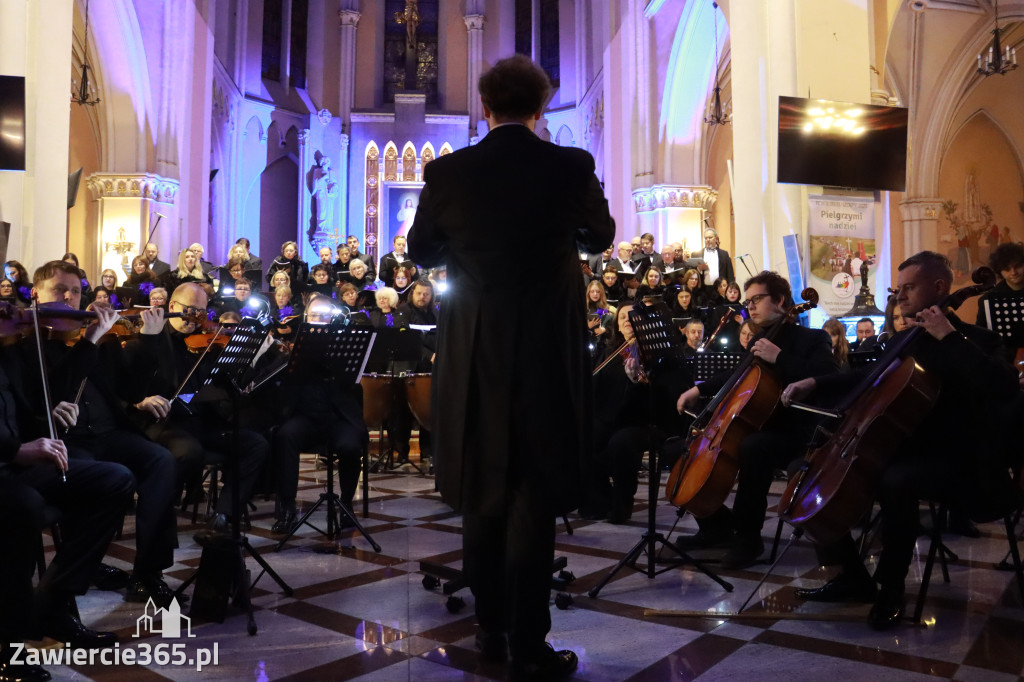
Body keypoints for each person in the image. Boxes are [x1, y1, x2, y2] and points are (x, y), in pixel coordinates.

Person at [408, 54, 614, 679]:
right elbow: (599, 236)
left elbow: (421, 249)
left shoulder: (449, 170)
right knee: (534, 492)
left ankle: (491, 631)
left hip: (475, 351)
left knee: (482, 488)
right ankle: (530, 643)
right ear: (542, 107)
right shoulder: (570, 165)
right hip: (548, 350)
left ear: (485, 106)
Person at [783, 251, 1019, 630]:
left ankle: (891, 586)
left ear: (939, 287)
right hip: (903, 447)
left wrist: (950, 337)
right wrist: (814, 382)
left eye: (909, 287)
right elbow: (866, 377)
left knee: (895, 480)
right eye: (900, 287)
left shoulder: (978, 339)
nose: (901, 295)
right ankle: (852, 576)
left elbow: (1004, 387)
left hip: (960, 458)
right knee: (808, 471)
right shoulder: (909, 339)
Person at [30, 260, 182, 607]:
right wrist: (88, 342)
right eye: (60, 290)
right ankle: (86, 567)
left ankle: (148, 572)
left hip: (111, 432)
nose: (69, 298)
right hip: (69, 441)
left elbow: (129, 386)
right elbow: (49, 393)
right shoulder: (32, 343)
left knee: (160, 460)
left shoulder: (101, 338)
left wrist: (147, 341)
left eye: (75, 291)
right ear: (37, 294)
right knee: (107, 479)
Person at [675, 271, 837, 568]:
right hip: (761, 424)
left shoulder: (813, 338)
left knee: (754, 447)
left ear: (780, 301)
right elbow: (737, 375)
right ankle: (715, 527)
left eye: (757, 299)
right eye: (748, 301)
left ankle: (747, 541)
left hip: (799, 432)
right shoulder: (760, 339)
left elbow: (829, 378)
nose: (750, 306)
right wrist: (696, 389)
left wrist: (780, 359)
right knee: (682, 447)